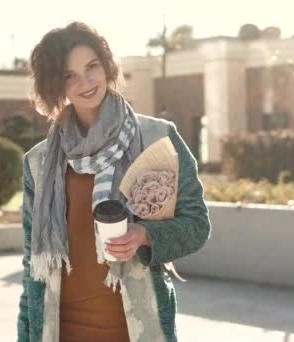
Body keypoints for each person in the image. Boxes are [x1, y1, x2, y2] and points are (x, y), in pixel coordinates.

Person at [17, 21, 211, 342]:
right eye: (69, 75)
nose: (86, 81)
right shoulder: (39, 162)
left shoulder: (157, 138)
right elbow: (31, 266)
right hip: (61, 331)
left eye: (92, 66)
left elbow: (197, 226)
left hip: (136, 330)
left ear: (107, 66)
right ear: (56, 85)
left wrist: (144, 234)